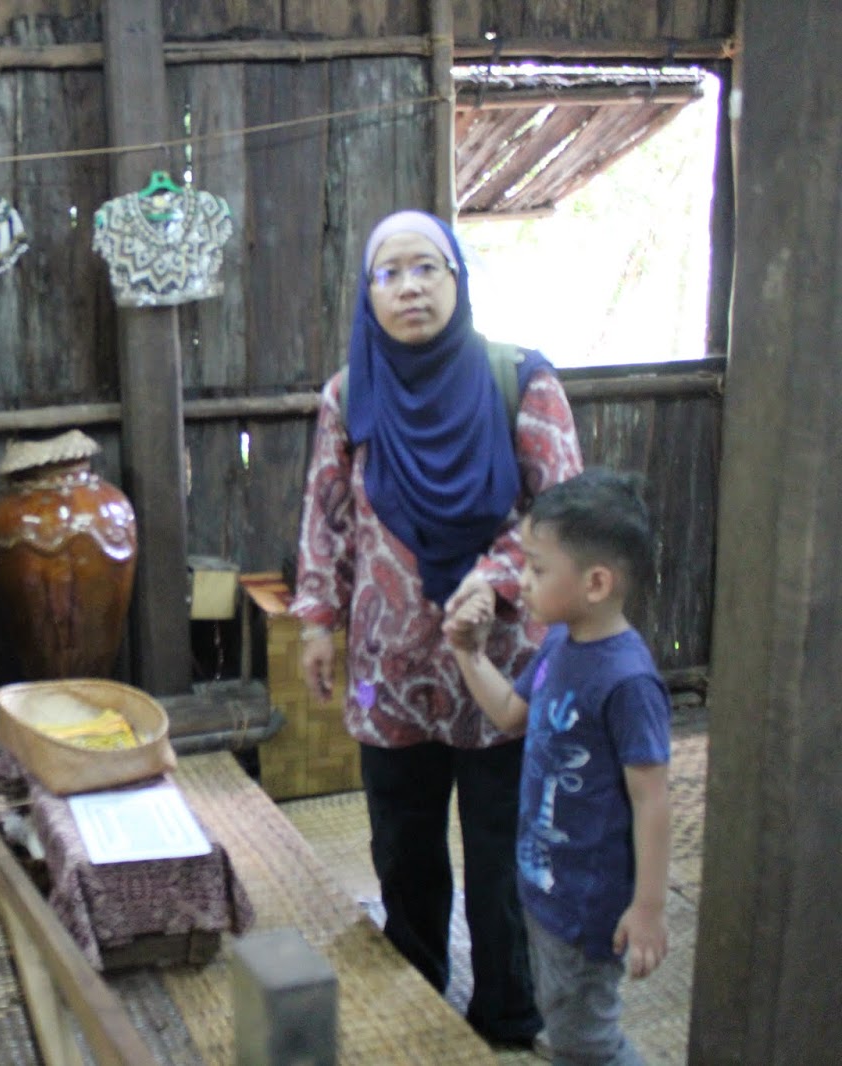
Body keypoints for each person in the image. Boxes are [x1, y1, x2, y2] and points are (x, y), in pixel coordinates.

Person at [291, 209, 582, 1045]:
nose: (410, 287)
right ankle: (414, 999)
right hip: (387, 673)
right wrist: (316, 621)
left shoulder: (522, 381)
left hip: (501, 670)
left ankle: (508, 1016)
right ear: (368, 293)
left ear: (458, 278)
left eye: (428, 268)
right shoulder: (350, 394)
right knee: (403, 849)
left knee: (504, 853)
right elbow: (326, 518)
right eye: (389, 273)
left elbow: (563, 512)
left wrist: (496, 579)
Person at [444, 468, 670, 1065]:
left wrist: (648, 909)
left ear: (596, 583)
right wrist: (467, 654)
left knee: (588, 1042)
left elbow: (652, 800)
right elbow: (509, 714)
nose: (522, 581)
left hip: (590, 907)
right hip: (543, 886)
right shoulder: (559, 644)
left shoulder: (628, 681)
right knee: (565, 1019)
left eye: (538, 569)